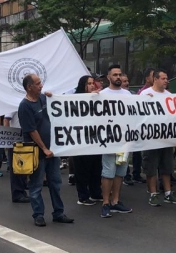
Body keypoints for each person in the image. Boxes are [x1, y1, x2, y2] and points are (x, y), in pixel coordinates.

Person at [18, 73, 74, 227]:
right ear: (29, 87)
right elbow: (31, 130)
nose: (41, 85)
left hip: (52, 150)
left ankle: (58, 213)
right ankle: (38, 214)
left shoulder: (43, 99)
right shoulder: (25, 106)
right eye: (37, 83)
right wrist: (44, 148)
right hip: (37, 152)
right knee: (36, 185)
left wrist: (53, 97)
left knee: (55, 183)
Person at [141, 69, 176, 207]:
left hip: (166, 138)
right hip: (150, 138)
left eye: (167, 78)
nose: (166, 81)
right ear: (155, 79)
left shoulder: (169, 95)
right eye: (163, 78)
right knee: (151, 167)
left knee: (166, 166)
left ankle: (168, 193)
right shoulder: (145, 94)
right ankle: (153, 194)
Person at [98, 65, 134, 218]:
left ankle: (115, 201)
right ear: (108, 77)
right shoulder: (101, 94)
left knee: (120, 172)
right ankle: (105, 203)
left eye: (120, 74)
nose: (118, 77)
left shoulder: (128, 94)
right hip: (108, 139)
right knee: (108, 172)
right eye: (115, 75)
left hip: (125, 139)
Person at [71, 75, 103, 206]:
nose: (91, 86)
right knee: (82, 169)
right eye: (88, 83)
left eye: (92, 83)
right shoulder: (74, 99)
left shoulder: (97, 98)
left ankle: (95, 193)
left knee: (96, 168)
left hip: (95, 139)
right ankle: (83, 196)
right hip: (81, 141)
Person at [3, 112, 30, 203]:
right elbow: (6, 120)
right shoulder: (12, 104)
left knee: (23, 168)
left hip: (24, 137)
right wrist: (7, 139)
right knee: (16, 168)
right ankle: (17, 194)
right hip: (15, 138)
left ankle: (21, 191)